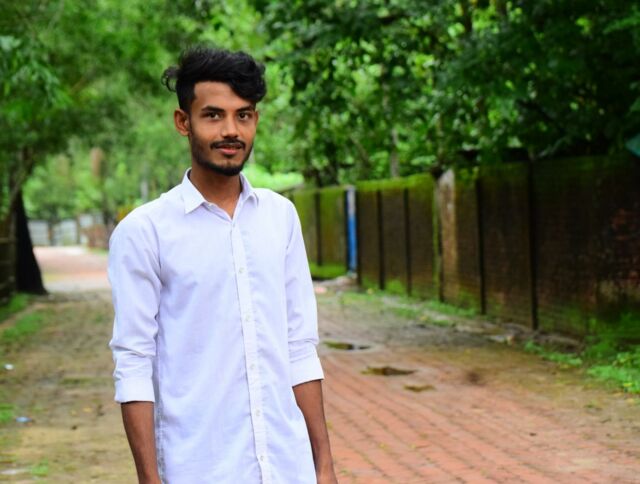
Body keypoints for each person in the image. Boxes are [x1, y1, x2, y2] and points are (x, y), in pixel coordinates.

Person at [108, 46, 338, 484]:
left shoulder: (280, 217)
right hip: (199, 468)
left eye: (243, 115)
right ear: (183, 122)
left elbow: (299, 348)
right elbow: (134, 363)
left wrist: (323, 467)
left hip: (287, 467)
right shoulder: (145, 232)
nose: (231, 130)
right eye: (213, 115)